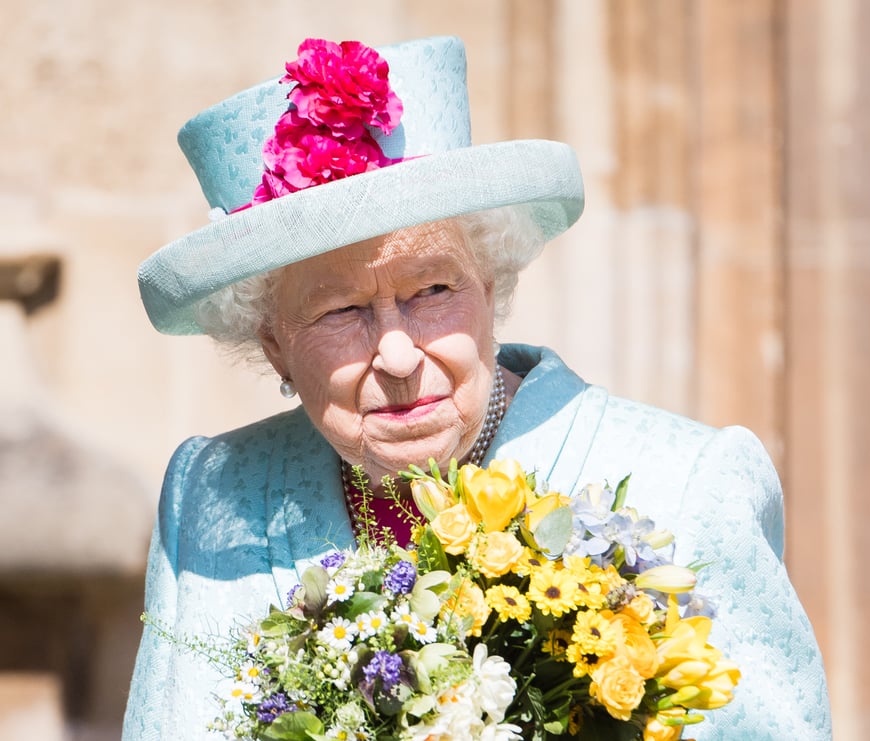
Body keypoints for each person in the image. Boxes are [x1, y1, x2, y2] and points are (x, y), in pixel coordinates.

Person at [124, 35, 831, 740]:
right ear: (274, 342)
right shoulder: (209, 494)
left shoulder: (690, 482)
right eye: (342, 311)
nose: (398, 353)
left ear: (490, 288)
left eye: (432, 289)